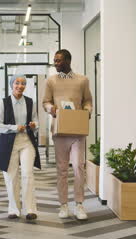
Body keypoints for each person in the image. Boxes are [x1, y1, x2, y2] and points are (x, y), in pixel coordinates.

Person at [42, 49, 93, 220]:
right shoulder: (51, 81)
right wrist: (51, 109)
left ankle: (79, 204)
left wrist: (87, 111)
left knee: (79, 167)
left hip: (77, 131)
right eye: (54, 61)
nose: (55, 63)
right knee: (62, 169)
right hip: (59, 130)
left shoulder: (82, 80)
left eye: (58, 61)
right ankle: (63, 205)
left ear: (68, 60)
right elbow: (45, 102)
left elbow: (88, 101)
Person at [0, 75, 41, 220]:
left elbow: (36, 121)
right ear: (11, 85)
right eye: (17, 83)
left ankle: (30, 209)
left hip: (27, 142)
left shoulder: (30, 102)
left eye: (23, 83)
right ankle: (14, 209)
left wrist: (34, 125)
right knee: (11, 176)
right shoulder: (4, 103)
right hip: (9, 144)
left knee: (27, 174)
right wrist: (14, 127)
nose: (20, 86)